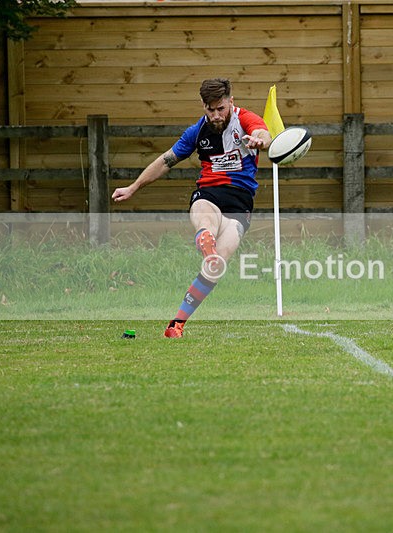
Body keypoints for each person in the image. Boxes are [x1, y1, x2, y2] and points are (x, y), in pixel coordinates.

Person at [112, 78, 273, 338]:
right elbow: (166, 160)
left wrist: (259, 141)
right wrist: (133, 187)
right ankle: (204, 238)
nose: (216, 115)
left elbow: (263, 133)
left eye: (221, 108)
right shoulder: (197, 131)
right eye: (210, 110)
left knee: (216, 266)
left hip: (240, 200)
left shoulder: (245, 120)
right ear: (203, 106)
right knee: (206, 217)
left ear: (231, 101)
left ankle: (177, 322)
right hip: (209, 192)